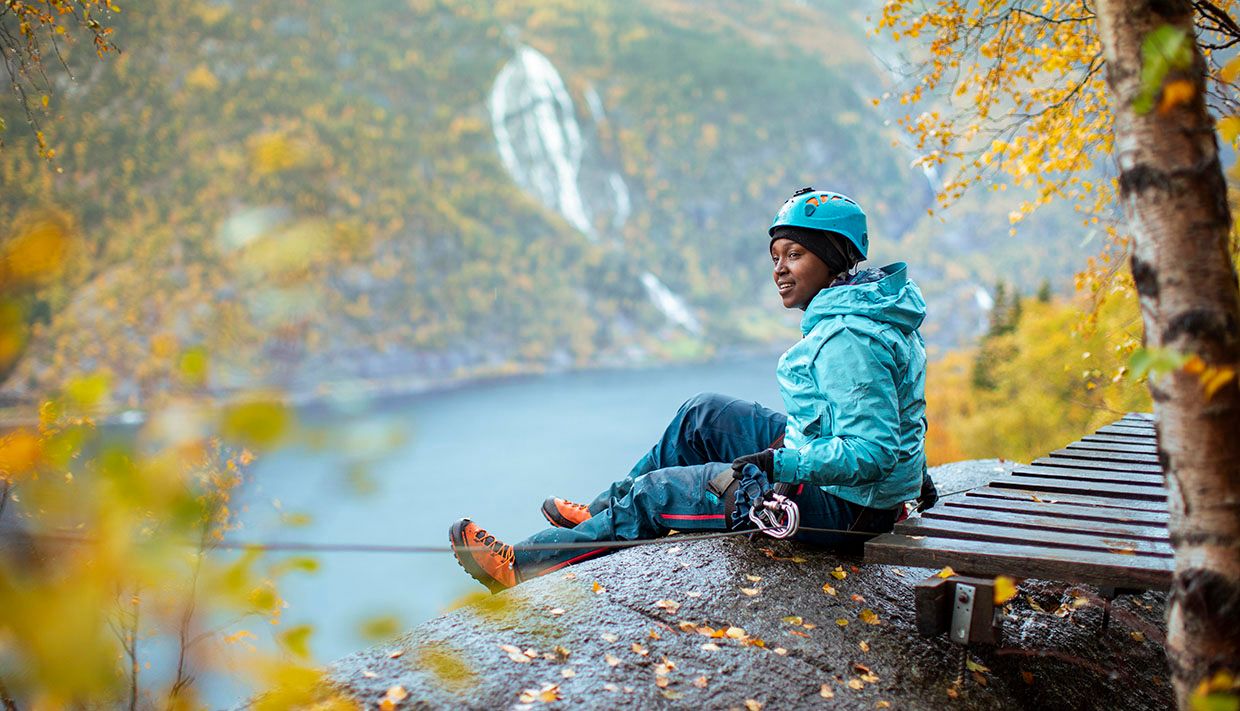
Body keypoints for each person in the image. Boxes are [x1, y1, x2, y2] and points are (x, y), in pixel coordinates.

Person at [449, 187, 933, 593]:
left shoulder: (848, 337)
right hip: (852, 484)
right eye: (776, 256)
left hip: (844, 509)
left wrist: (780, 463)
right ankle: (601, 512)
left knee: (661, 494)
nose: (779, 269)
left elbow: (873, 449)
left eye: (795, 254)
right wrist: (917, 476)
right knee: (703, 415)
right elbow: (899, 408)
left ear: (832, 259)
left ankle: (522, 567)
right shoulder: (867, 310)